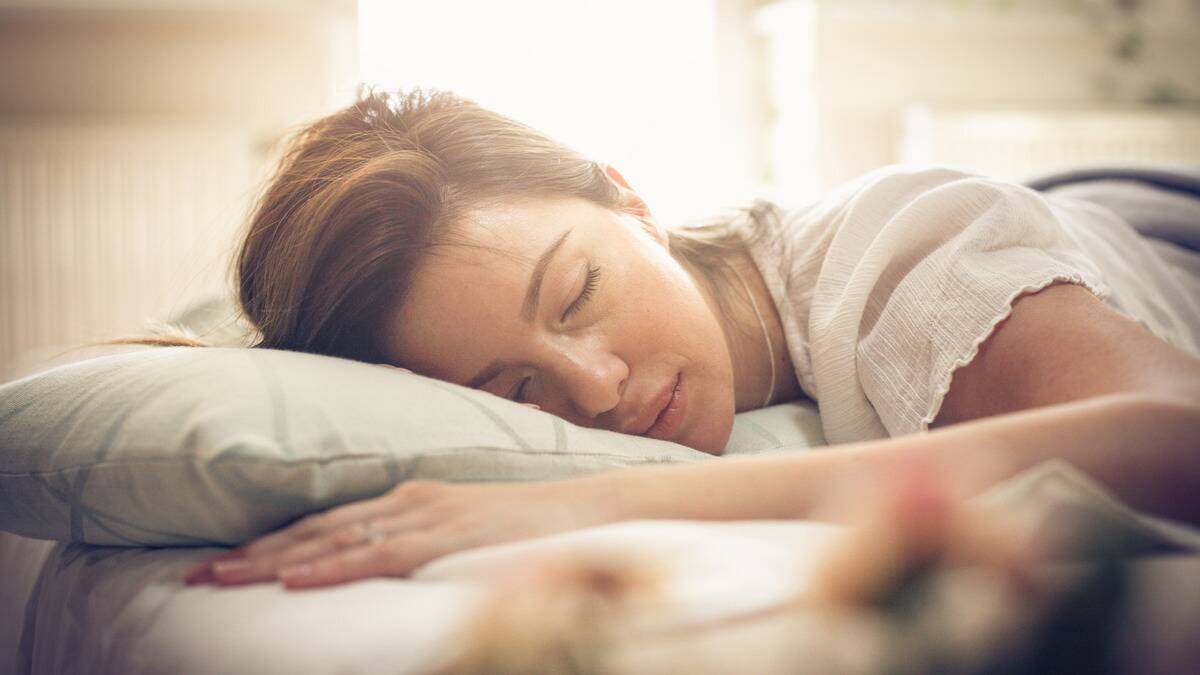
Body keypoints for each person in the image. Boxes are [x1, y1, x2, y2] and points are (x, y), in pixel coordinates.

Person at [183, 88, 1200, 590]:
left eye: (577, 293)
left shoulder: (908, 256)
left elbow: (1180, 439)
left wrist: (616, 495)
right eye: (518, 389)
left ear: (629, 198)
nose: (596, 389)